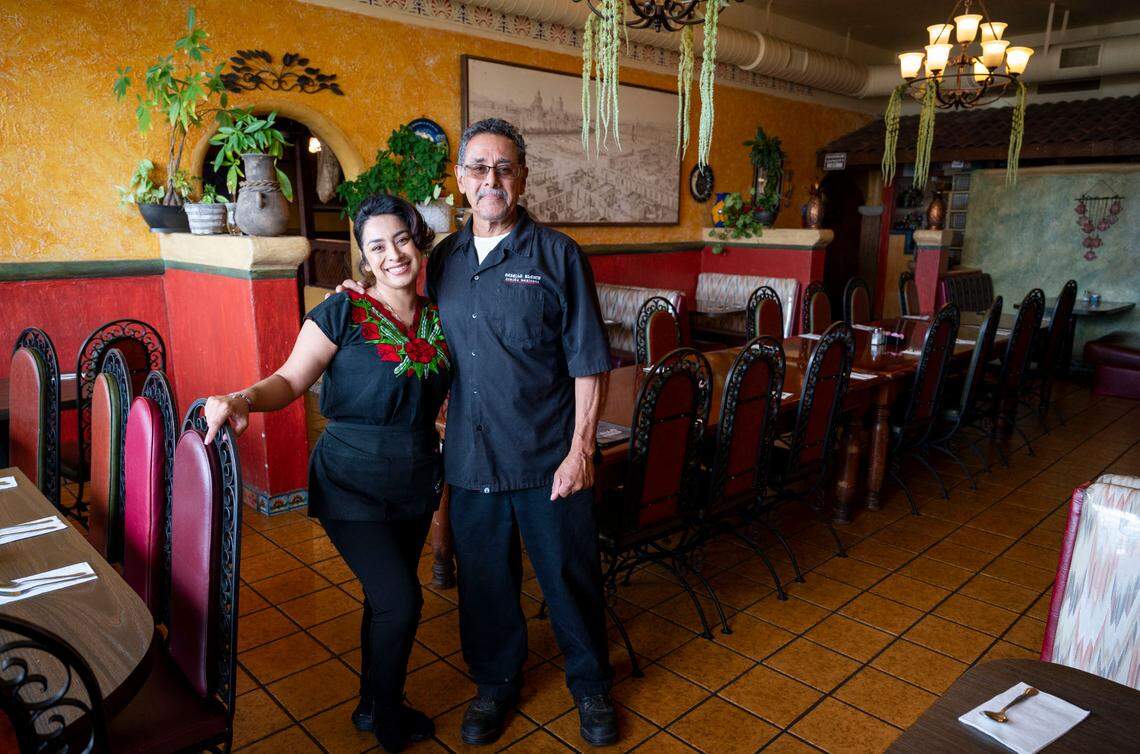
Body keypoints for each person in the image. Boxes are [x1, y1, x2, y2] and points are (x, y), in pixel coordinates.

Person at [341, 117, 617, 747]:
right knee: (486, 587)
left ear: (520, 178)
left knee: (570, 580)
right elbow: (397, 309)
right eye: (479, 169)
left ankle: (592, 688)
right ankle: (495, 687)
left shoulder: (558, 255)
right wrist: (358, 293)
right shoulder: (441, 261)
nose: (491, 180)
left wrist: (580, 451)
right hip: (470, 462)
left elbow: (588, 361)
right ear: (461, 179)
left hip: (550, 460)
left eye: (504, 168)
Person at [204, 194, 450, 753]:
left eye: (403, 240)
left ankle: (369, 703)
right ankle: (388, 714)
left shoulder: (440, 318)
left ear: (419, 241)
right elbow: (289, 381)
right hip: (350, 480)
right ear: (364, 257)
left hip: (413, 479)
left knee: (383, 599)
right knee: (402, 600)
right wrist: (242, 398)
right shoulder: (342, 311)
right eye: (378, 246)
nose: (394, 255)